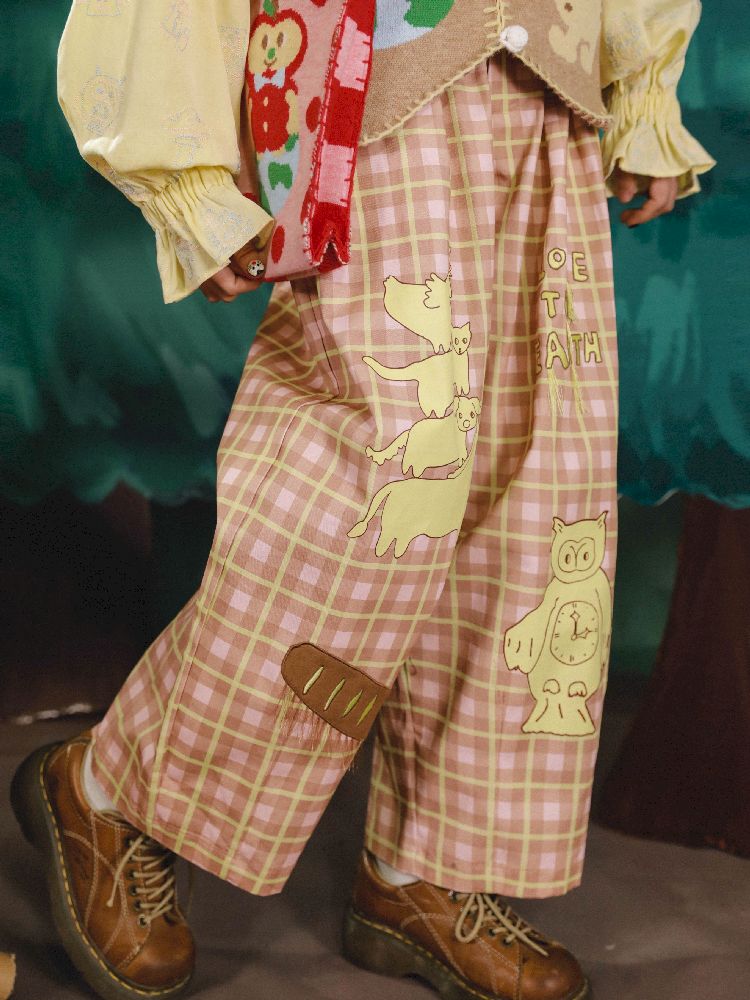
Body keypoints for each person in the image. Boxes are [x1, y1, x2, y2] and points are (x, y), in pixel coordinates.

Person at [12, 2, 713, 999]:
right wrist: (191, 180)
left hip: (547, 96)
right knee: (372, 489)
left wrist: (638, 85)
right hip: (363, 109)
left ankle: (427, 866)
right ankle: (113, 789)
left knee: (534, 490)